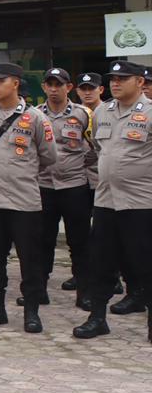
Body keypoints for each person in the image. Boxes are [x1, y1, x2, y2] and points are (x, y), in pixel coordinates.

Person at [0, 63, 56, 333]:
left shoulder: (35, 118)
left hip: (23, 201)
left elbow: (49, 156)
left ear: (16, 83)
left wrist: (20, 173)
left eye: (0, 80)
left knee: (30, 259)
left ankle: (31, 312)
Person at [73, 60, 152, 342]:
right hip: (106, 201)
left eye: (123, 78)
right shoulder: (103, 111)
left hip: (141, 204)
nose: (116, 83)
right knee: (101, 263)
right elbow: (97, 147)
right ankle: (97, 318)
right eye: (113, 79)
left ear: (140, 82)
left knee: (145, 263)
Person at [38, 68, 96, 308]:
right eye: (49, 84)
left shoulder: (84, 115)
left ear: (68, 88)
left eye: (58, 84)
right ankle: (37, 290)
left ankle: (85, 292)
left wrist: (78, 168)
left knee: (80, 242)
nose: (53, 89)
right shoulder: (34, 115)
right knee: (41, 242)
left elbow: (95, 149)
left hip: (74, 187)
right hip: (43, 186)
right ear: (43, 87)